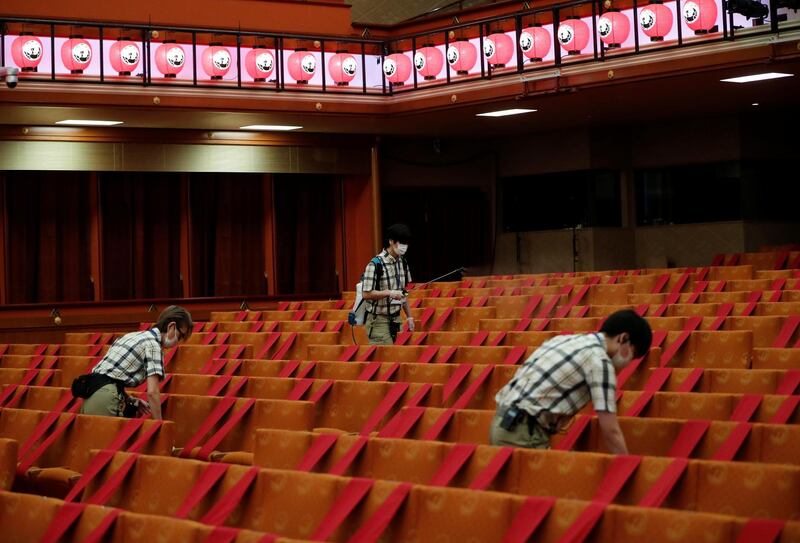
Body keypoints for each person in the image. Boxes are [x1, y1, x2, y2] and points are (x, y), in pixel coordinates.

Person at [490, 309, 652, 453]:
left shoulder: (563, 340)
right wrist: (627, 467)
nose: (630, 361)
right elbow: (611, 431)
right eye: (633, 352)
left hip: (501, 423)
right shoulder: (600, 361)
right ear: (623, 338)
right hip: (524, 433)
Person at [79, 305, 193, 420]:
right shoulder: (154, 345)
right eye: (181, 335)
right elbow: (152, 392)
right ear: (171, 327)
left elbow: (110, 377)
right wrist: (159, 425)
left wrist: (131, 400)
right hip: (106, 400)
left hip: (90, 395)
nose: (180, 341)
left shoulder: (132, 335)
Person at [360, 223, 414, 345]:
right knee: (385, 360)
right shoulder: (375, 264)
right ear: (391, 241)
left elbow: (404, 292)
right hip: (379, 321)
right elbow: (366, 294)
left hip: (397, 320)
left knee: (397, 360)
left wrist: (409, 317)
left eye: (406, 243)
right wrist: (389, 292)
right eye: (401, 242)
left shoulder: (403, 263)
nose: (404, 246)